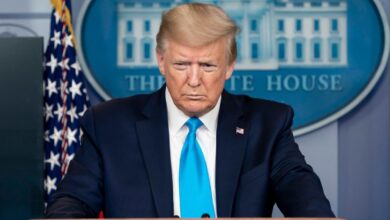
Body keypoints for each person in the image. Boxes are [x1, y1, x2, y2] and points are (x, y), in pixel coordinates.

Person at [46, 3, 334, 218]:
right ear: (161, 61)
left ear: (229, 66)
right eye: (181, 65)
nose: (194, 80)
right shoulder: (109, 125)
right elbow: (70, 204)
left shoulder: (268, 125)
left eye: (208, 66)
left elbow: (304, 197)